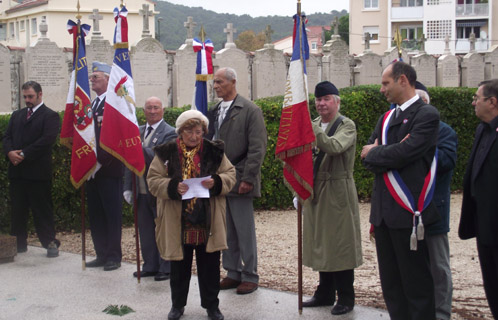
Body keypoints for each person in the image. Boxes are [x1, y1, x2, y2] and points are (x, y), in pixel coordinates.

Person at [361, 61, 440, 320]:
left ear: (403, 81)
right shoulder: (386, 118)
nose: (382, 89)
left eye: (386, 83)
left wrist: (380, 152)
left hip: (409, 214)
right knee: (392, 285)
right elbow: (366, 158)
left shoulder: (426, 115)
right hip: (383, 215)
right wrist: (385, 153)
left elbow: (408, 153)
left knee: (416, 285)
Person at [147, 110, 236, 320]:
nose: (194, 137)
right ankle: (177, 306)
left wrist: (217, 181)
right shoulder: (165, 152)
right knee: (179, 268)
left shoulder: (215, 151)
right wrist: (171, 187)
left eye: (198, 132)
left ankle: (212, 307)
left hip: (208, 220)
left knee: (210, 268)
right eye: (189, 132)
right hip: (178, 221)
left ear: (204, 131)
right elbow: (152, 180)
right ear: (180, 132)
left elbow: (230, 174)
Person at [301, 81, 363, 315]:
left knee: (341, 244)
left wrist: (312, 128)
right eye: (318, 100)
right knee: (321, 242)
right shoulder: (315, 124)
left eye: (326, 99)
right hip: (316, 187)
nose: (321, 104)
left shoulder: (346, 125)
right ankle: (325, 292)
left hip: (338, 187)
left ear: (337, 101)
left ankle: (346, 296)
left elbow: (334, 146)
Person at [207, 67, 267, 295]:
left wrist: (249, 178)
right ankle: (232, 271)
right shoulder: (214, 111)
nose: (215, 86)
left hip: (240, 177)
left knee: (244, 230)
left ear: (233, 82)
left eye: (220, 82)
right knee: (226, 230)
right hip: (220, 181)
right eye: (214, 82)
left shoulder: (250, 110)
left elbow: (257, 147)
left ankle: (250, 274)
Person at [3, 81, 60, 258]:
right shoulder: (17, 115)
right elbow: (7, 136)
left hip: (37, 172)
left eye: (31, 96)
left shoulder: (50, 116)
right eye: (25, 97)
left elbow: (46, 140)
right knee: (18, 210)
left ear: (40, 94)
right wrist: (10, 152)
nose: (27, 100)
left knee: (42, 210)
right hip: (17, 172)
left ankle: (49, 242)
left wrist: (25, 154)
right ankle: (18, 244)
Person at [123, 96, 176, 281]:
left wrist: (136, 148)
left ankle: (166, 266)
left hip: (158, 191)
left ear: (163, 110)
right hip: (140, 190)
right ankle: (150, 265)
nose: (152, 111)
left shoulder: (170, 132)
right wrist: (127, 187)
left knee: (162, 230)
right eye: (149, 108)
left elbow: (160, 156)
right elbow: (128, 163)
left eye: (156, 107)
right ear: (143, 111)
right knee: (145, 231)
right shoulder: (137, 131)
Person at [416, 81, 457, 320]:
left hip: (434, 210)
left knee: (439, 267)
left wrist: (417, 148)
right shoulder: (402, 128)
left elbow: (446, 162)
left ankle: (441, 313)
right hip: (408, 210)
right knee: (414, 266)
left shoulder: (444, 131)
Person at [459, 79, 498, 319]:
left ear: (492, 102)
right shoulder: (482, 129)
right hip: (485, 223)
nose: (473, 102)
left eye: (477, 98)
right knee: (491, 283)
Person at [85, 61, 124, 271]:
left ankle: (113, 256)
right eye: (91, 78)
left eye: (96, 77)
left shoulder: (114, 103)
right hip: (91, 170)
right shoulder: (92, 104)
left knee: (111, 214)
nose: (92, 81)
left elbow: (115, 138)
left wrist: (99, 162)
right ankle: (100, 253)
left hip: (108, 169)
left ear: (108, 80)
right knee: (96, 214)